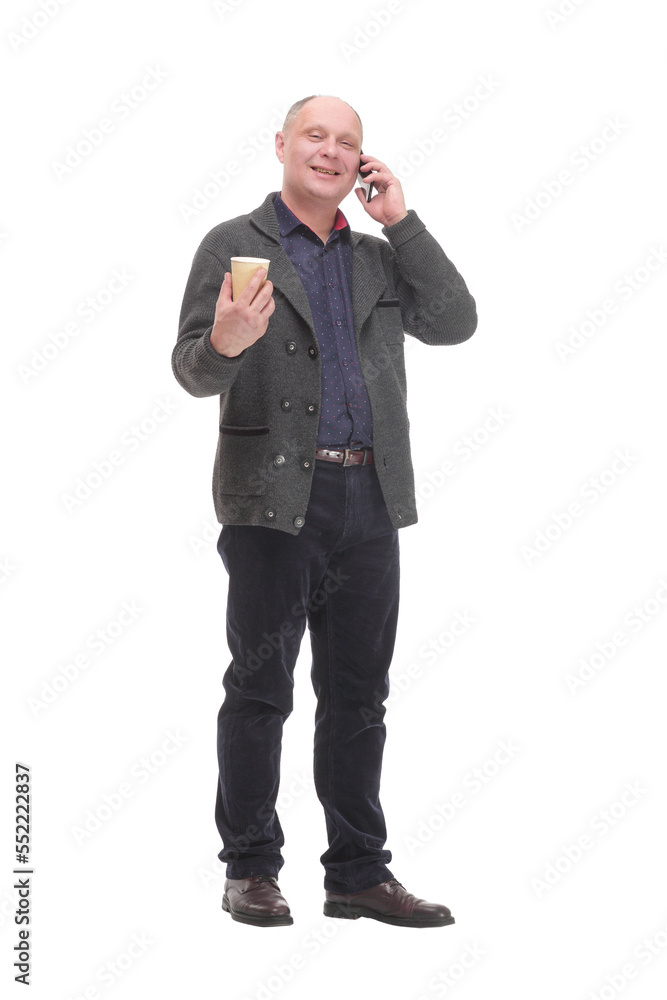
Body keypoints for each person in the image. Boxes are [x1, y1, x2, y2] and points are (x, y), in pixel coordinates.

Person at [172, 94, 477, 928]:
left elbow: (454, 323)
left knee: (357, 697)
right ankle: (249, 869)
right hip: (274, 501)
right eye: (316, 135)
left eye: (349, 143)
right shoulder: (234, 245)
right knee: (260, 690)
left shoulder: (379, 258)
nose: (332, 151)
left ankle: (356, 873)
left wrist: (403, 222)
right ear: (281, 144)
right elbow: (193, 372)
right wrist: (227, 340)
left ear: (362, 165)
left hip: (369, 498)